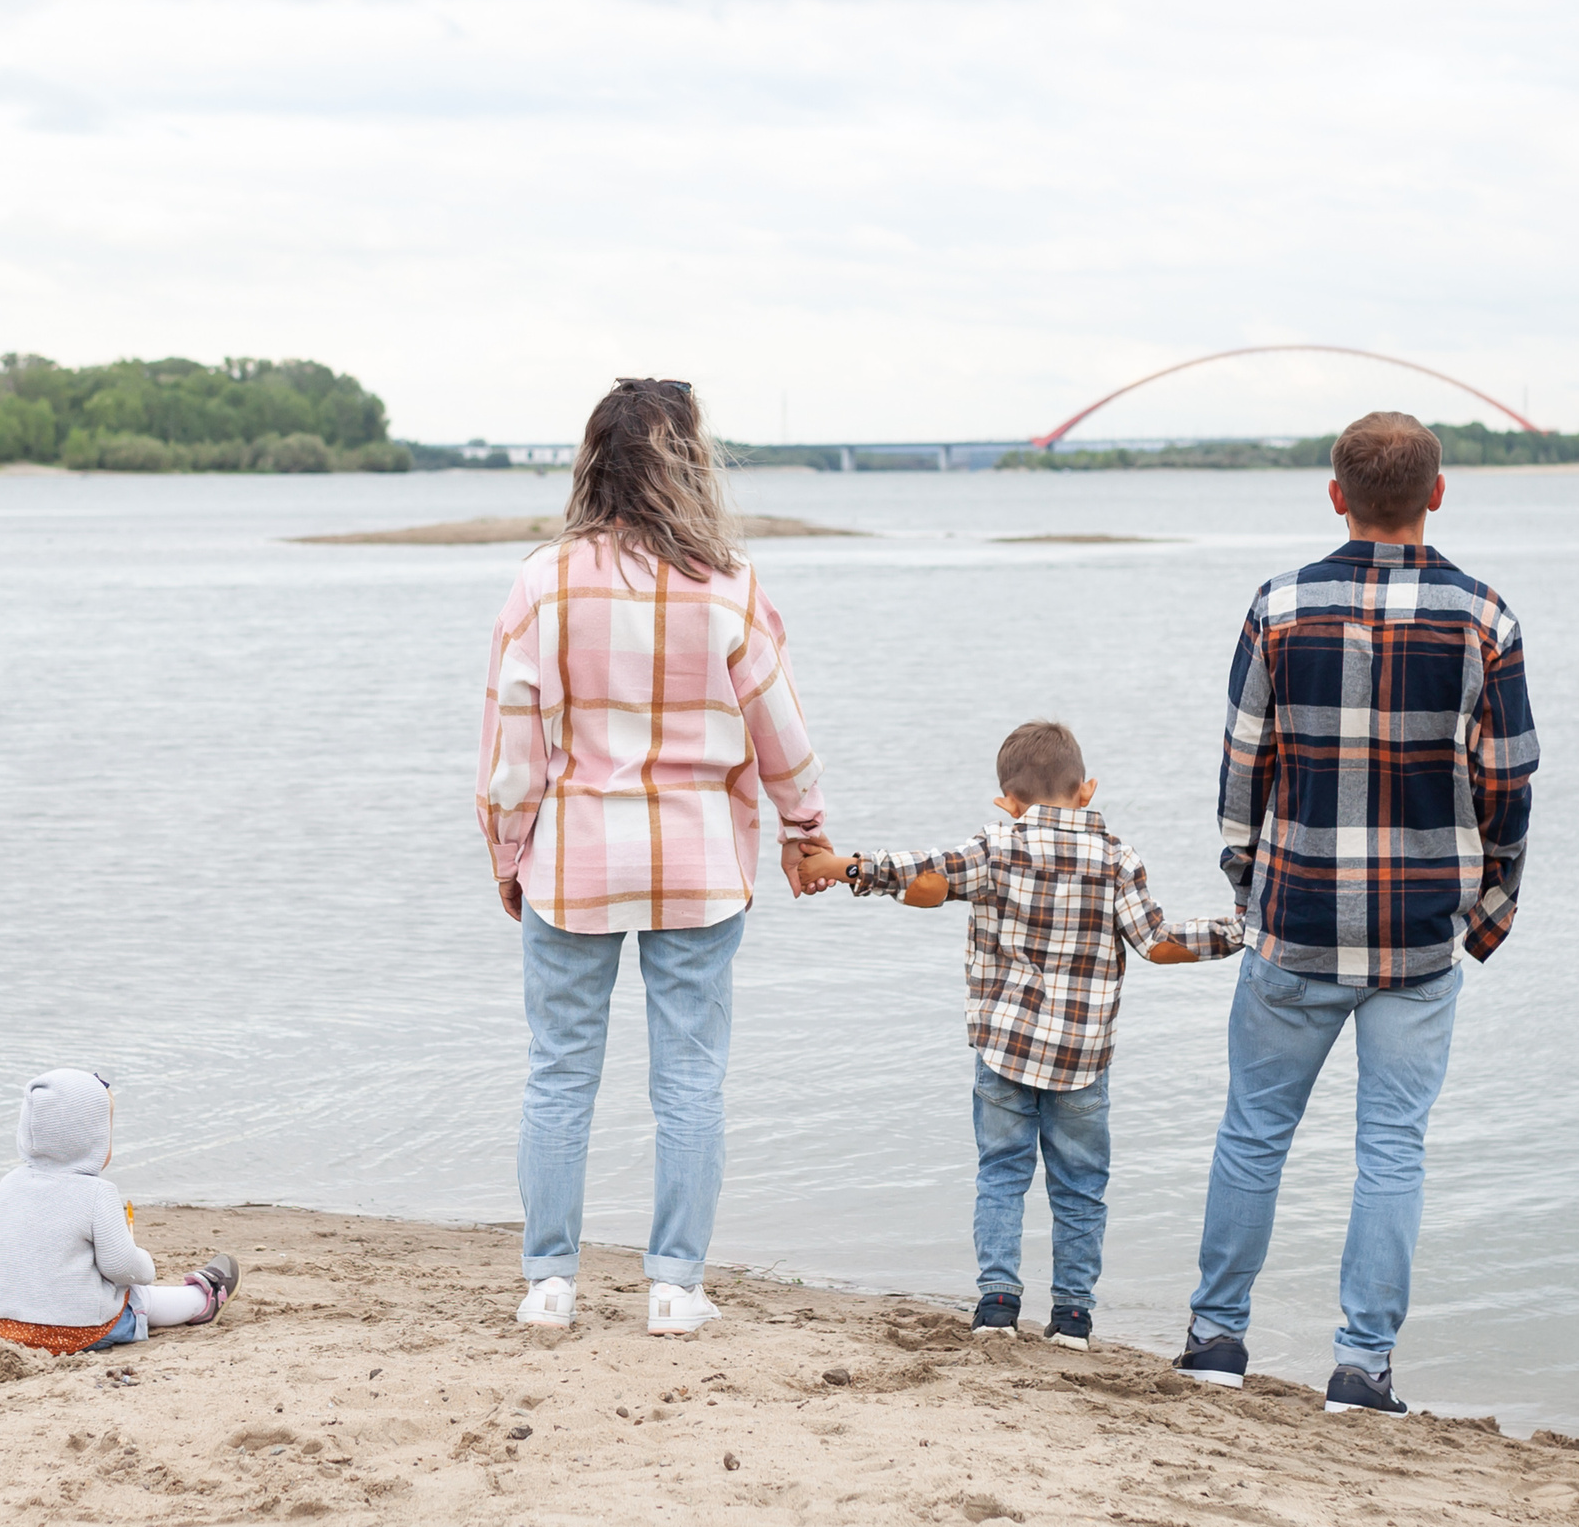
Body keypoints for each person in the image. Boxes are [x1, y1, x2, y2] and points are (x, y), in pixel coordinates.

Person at [1175, 411, 1537, 1414]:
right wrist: (1484, 912)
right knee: (1392, 1150)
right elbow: (1508, 786)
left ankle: (1215, 1342)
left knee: (1253, 1133)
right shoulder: (1484, 618)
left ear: (1336, 495)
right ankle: (1361, 1369)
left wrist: (1250, 889)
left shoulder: (1278, 605)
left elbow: (1240, 772)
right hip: (1419, 938)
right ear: (1437, 494)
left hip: (1294, 921)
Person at [475, 377, 831, 1337]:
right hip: (697, 861)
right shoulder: (730, 584)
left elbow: (514, 750)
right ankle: (675, 1286)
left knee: (559, 1073)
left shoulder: (544, 582)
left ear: (594, 462)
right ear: (690, 465)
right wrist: (804, 827)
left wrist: (508, 852)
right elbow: (780, 730)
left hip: (572, 861)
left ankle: (550, 1283)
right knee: (689, 1081)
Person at [798, 721, 1239, 1350]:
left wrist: (845, 866)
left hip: (1004, 1051)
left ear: (1007, 800)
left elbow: (922, 873)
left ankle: (998, 1303)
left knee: (1001, 1175)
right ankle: (1073, 1317)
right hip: (1082, 1060)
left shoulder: (995, 847)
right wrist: (1240, 930)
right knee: (1081, 1189)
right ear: (1086, 790)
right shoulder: (1117, 859)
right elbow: (1159, 944)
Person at [0, 1069, 241, 1355]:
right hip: (75, 1331)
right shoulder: (97, 1193)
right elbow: (122, 1267)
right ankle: (202, 1300)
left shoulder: (8, 1184)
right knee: (138, 1296)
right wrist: (144, 1262)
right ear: (93, 1139)